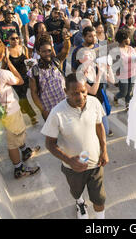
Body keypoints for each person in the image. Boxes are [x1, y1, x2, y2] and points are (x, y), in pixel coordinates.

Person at [41, 73, 109, 219]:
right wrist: (70, 160)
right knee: (76, 191)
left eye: (83, 91)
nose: (80, 97)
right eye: (75, 93)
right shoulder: (57, 113)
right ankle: (80, 203)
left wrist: (104, 150)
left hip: (95, 163)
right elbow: (50, 144)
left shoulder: (94, 103)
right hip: (72, 167)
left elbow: (99, 126)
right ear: (66, 92)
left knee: (99, 198)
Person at [0, 39, 40, 179]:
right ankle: (19, 168)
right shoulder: (3, 74)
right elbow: (20, 80)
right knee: (12, 142)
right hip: (10, 111)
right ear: (0, 56)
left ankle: (25, 150)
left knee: (16, 135)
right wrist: (9, 63)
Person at [29, 33, 70, 121]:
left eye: (49, 50)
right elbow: (34, 93)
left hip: (65, 106)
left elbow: (65, 50)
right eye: (44, 51)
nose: (47, 54)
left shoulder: (56, 62)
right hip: (50, 111)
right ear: (38, 52)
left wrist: (67, 40)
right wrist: (43, 110)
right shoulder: (34, 71)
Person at [7, 31, 38, 125]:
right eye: (12, 39)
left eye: (17, 38)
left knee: (24, 96)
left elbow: (28, 61)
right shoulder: (7, 50)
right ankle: (32, 116)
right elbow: (5, 64)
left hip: (25, 76)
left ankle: (23, 107)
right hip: (14, 78)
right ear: (8, 40)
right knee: (22, 96)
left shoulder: (23, 48)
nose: (15, 40)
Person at [112, 28, 136, 109]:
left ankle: (128, 104)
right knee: (123, 92)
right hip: (123, 76)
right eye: (128, 38)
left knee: (130, 92)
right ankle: (116, 97)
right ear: (123, 40)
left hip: (132, 74)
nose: (130, 39)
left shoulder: (131, 49)